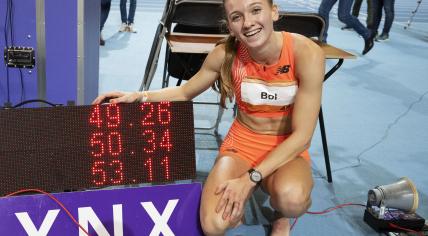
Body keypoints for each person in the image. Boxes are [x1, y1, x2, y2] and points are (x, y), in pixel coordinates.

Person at [93, 0, 324, 235]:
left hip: (286, 147)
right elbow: (185, 91)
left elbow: (303, 136)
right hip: (242, 145)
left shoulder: (305, 53)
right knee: (213, 226)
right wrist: (138, 96)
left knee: (292, 200)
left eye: (256, 10)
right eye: (237, 17)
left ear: (274, 12)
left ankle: (281, 217)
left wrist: (250, 179)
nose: (248, 23)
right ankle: (242, 194)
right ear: (230, 26)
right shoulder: (225, 54)